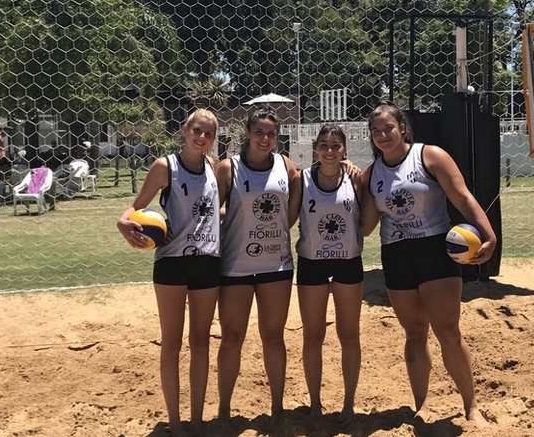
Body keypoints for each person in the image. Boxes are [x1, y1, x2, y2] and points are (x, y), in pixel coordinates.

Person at [358, 101, 496, 426]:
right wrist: (351, 185)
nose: (383, 135)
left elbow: (462, 196)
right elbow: (365, 227)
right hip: (397, 255)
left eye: (388, 128)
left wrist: (488, 234)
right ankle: (422, 406)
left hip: (436, 248)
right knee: (414, 333)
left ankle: (471, 406)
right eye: (376, 131)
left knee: (447, 330)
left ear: (402, 127)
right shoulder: (371, 174)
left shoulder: (429, 155)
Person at [117, 108, 221, 437]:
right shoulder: (165, 167)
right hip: (171, 263)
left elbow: (213, 208)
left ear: (212, 138)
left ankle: (196, 419)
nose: (201, 136)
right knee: (172, 343)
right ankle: (175, 422)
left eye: (207, 133)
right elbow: (134, 208)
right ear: (184, 129)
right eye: (197, 130)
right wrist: (123, 223)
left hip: (208, 262)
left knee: (201, 342)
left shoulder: (213, 168)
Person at [214, 105, 301, 428]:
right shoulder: (228, 168)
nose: (265, 139)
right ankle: (224, 410)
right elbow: (210, 212)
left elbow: (293, 205)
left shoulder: (286, 165)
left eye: (271, 134)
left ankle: (277, 409)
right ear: (247, 134)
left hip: (275, 265)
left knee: (273, 337)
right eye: (259, 132)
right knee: (232, 338)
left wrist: (279, 227)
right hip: (235, 265)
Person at [293, 124, 363, 422]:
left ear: (344, 149)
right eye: (324, 145)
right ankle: (316, 404)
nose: (330, 151)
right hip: (312, 263)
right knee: (313, 335)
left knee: (349, 334)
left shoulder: (356, 179)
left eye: (335, 145)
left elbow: (370, 217)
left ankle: (348, 404)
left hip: (348, 261)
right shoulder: (302, 179)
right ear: (315, 149)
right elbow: (284, 220)